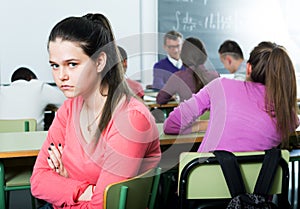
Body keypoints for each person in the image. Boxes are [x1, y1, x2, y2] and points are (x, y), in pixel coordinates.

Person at [30, 13, 161, 209]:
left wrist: (62, 185)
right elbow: (38, 181)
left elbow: (103, 206)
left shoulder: (131, 120)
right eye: (55, 66)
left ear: (100, 62)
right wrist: (83, 191)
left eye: (72, 64)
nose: (61, 76)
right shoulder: (69, 109)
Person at [164, 41, 299, 152]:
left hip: (204, 181)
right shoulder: (287, 114)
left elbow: (171, 125)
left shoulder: (220, 86)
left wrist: (203, 125)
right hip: (258, 184)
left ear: (248, 68)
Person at [156, 37, 219, 105]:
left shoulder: (178, 77)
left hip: (188, 115)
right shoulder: (215, 76)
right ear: (204, 55)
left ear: (183, 56)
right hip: (211, 115)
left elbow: (160, 100)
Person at [0, 67, 66, 131]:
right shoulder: (38, 86)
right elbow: (67, 102)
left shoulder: (2, 91)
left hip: (4, 141)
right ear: (31, 78)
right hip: (33, 140)